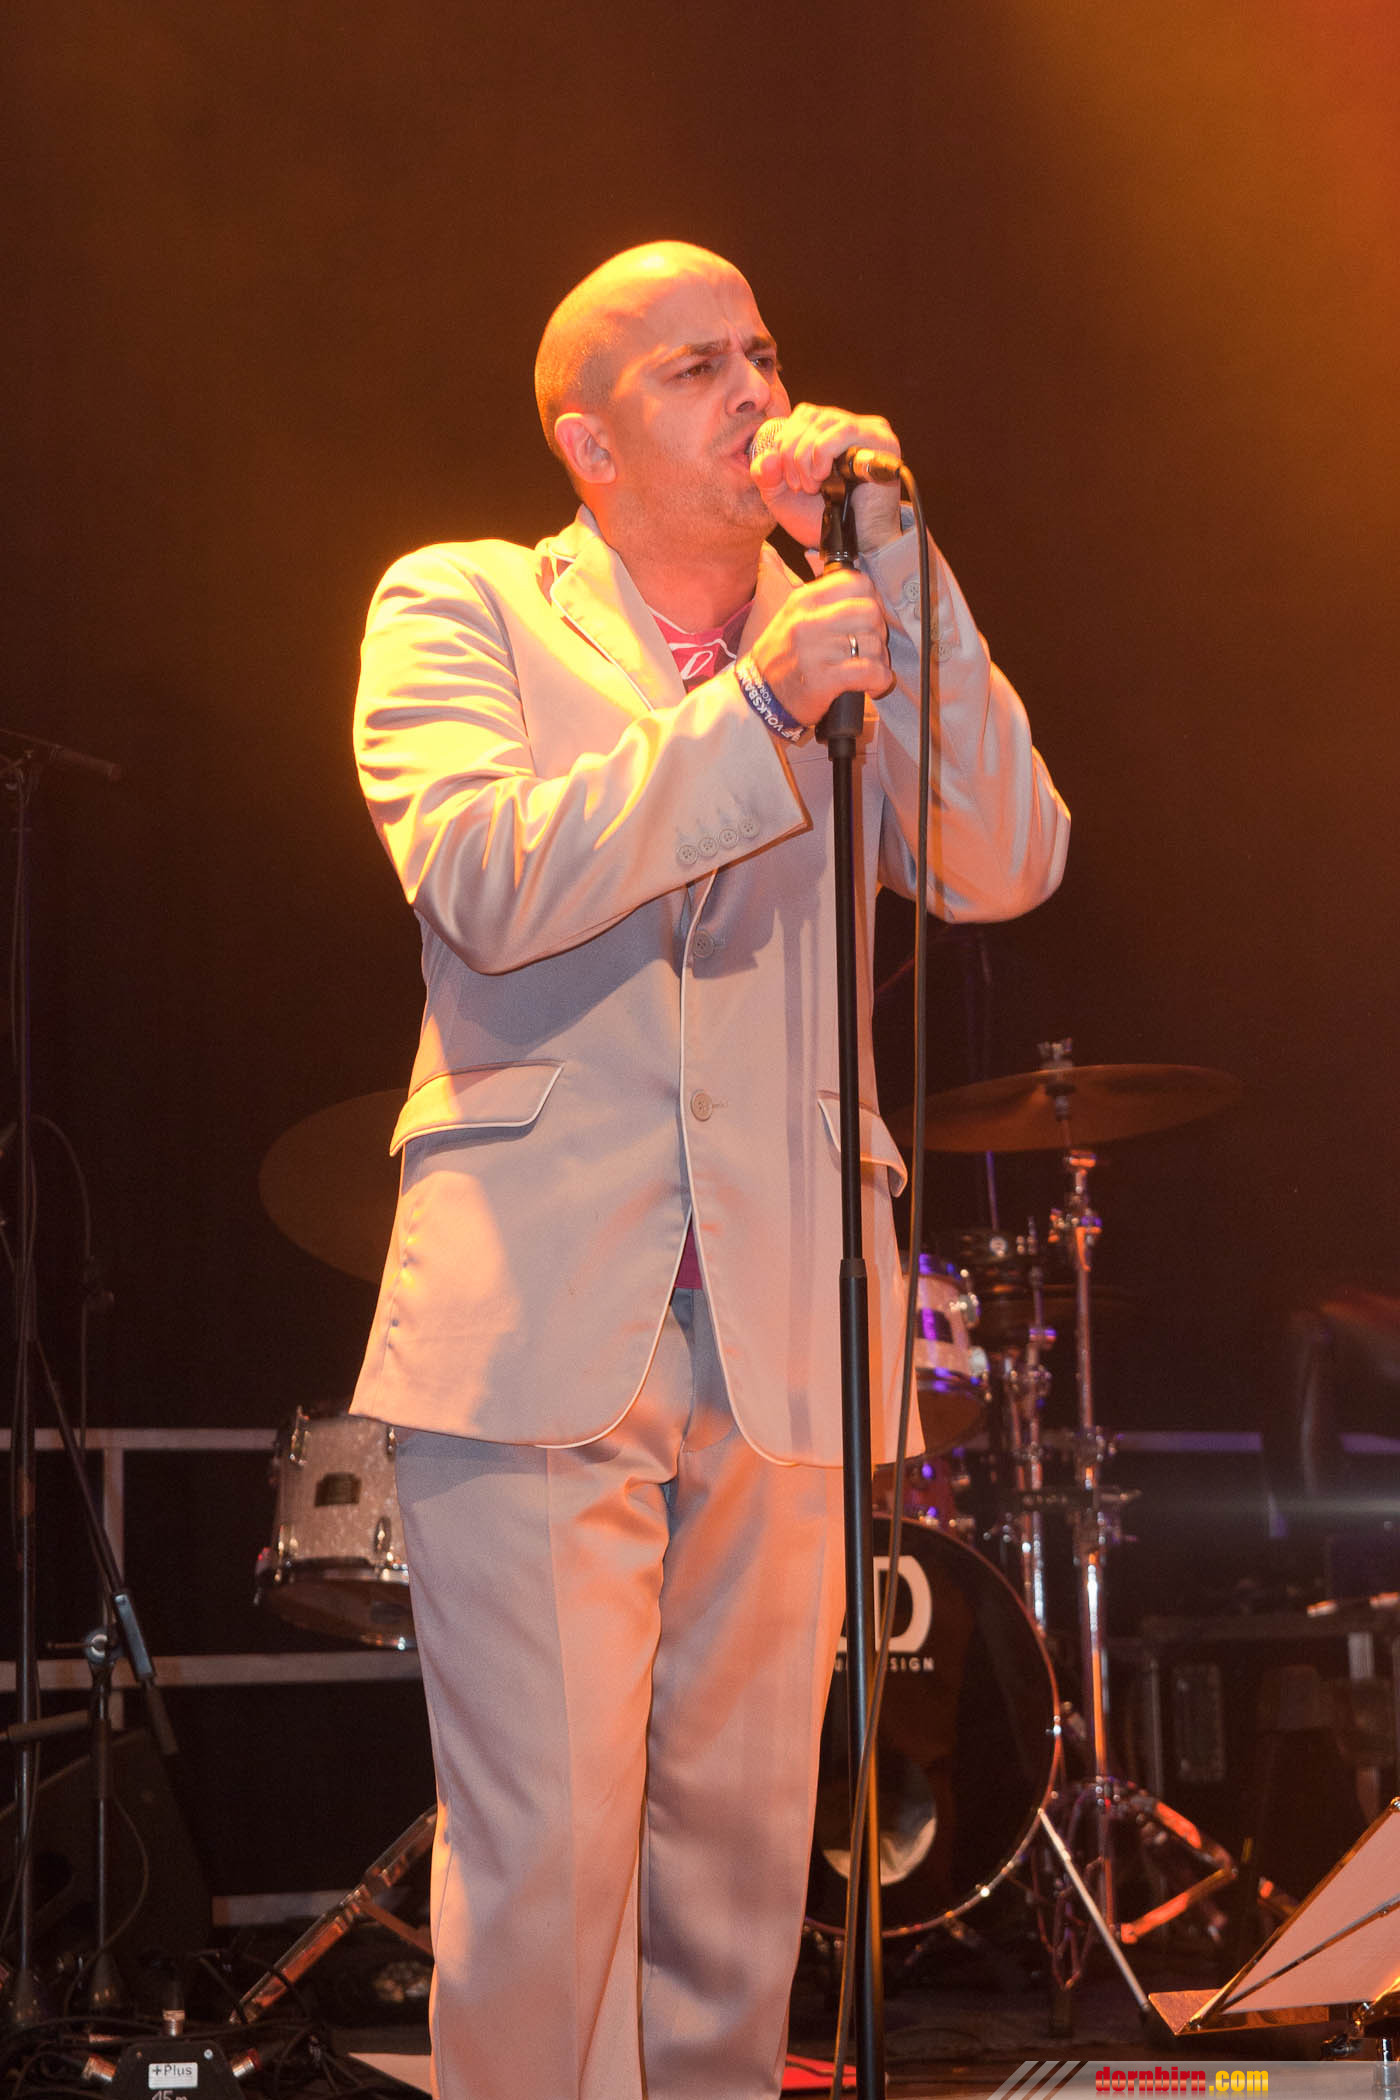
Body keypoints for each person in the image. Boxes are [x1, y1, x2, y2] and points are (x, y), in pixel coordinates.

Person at [349, 239, 1068, 2100]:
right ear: (588, 444)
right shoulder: (464, 603)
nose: (758, 389)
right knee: (547, 1866)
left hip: (787, 1310)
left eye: (762, 352)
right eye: (697, 368)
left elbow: (1005, 858)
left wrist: (902, 567)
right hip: (541, 1311)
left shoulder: (844, 627)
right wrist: (750, 711)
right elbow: (486, 878)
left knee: (745, 1875)